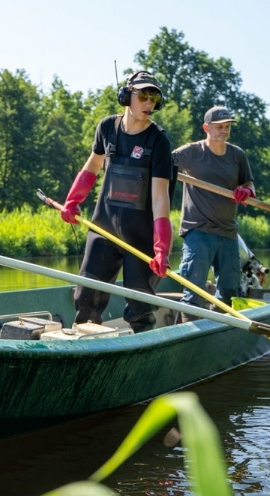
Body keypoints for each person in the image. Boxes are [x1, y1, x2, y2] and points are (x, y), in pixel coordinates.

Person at [57, 70, 174, 332]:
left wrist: (161, 248)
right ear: (126, 96)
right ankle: (87, 344)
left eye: (154, 98)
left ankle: (143, 346)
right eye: (143, 95)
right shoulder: (107, 127)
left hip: (141, 238)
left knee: (139, 305)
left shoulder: (158, 141)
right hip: (103, 229)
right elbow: (92, 167)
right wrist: (72, 201)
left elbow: (160, 197)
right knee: (86, 297)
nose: (148, 103)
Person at [171, 105, 255, 309]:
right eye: (219, 127)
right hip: (198, 231)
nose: (224, 131)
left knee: (229, 295)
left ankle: (221, 335)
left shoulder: (237, 155)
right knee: (194, 292)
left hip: (227, 233)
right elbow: (160, 164)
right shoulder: (192, 152)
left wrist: (247, 192)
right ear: (206, 128)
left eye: (227, 127)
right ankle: (191, 331)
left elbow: (248, 184)